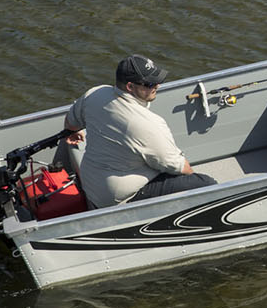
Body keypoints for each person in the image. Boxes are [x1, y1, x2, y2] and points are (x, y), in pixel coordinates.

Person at [60, 54, 216, 208]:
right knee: (206, 183)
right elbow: (182, 167)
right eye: (150, 84)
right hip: (116, 199)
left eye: (157, 81)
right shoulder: (148, 124)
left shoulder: (95, 94)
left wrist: (73, 131)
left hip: (91, 183)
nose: (157, 86)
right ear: (130, 87)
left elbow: (70, 122)